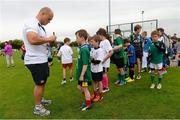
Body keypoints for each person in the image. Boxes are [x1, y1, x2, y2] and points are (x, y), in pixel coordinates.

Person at [22, 7, 56, 116]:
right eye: (49, 18)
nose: (49, 21)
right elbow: (32, 39)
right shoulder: (32, 23)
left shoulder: (39, 26)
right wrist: (49, 39)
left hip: (40, 59)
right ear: (43, 13)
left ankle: (40, 100)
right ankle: (37, 107)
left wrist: (49, 42)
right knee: (39, 84)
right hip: (35, 60)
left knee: (42, 82)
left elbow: (40, 41)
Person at [75, 29, 92, 111]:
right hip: (81, 74)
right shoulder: (82, 48)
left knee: (85, 89)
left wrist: (82, 75)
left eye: (77, 37)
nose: (76, 39)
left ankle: (88, 104)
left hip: (84, 75)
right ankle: (88, 99)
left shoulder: (84, 49)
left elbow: (85, 64)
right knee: (79, 87)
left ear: (82, 38)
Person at [96, 28, 113, 93]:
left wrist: (103, 60)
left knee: (104, 74)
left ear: (101, 34)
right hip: (101, 62)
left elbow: (111, 52)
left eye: (98, 35)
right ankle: (102, 86)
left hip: (105, 62)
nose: (98, 37)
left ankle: (106, 87)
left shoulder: (106, 41)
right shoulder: (102, 42)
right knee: (101, 74)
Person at [89, 35, 104, 102]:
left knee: (99, 82)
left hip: (98, 70)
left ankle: (100, 96)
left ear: (97, 42)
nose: (91, 43)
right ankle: (95, 94)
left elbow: (97, 62)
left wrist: (91, 60)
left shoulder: (100, 50)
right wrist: (92, 60)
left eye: (92, 41)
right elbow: (92, 59)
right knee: (94, 82)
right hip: (93, 69)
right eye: (91, 41)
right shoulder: (92, 49)